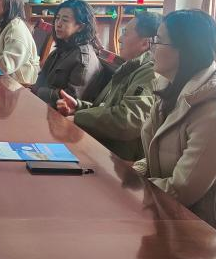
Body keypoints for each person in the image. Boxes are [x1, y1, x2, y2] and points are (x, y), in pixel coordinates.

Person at [134, 9, 216, 236]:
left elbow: (180, 191)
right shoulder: (173, 91)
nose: (152, 47)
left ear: (184, 50)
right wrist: (132, 173)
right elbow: (157, 156)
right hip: (183, 213)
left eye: (159, 40)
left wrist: (133, 190)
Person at [56, 12, 160, 161]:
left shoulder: (149, 72)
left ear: (145, 43)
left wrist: (79, 117)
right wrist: (78, 107)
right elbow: (106, 108)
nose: (120, 38)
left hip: (119, 161)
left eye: (125, 33)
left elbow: (129, 120)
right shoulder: (129, 67)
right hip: (101, 149)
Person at [31, 0, 102, 108]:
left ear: (80, 27)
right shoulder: (62, 49)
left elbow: (70, 99)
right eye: (57, 18)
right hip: (42, 105)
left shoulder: (82, 58)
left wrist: (38, 91)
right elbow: (40, 81)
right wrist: (34, 90)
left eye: (65, 20)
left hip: (59, 114)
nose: (58, 24)